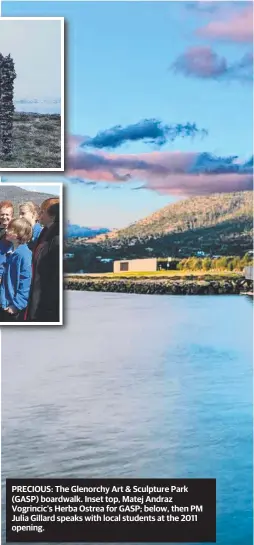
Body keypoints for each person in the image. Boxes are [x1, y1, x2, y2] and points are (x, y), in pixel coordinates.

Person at [25, 198, 60, 322]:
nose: (39, 215)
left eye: (42, 212)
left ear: (52, 214)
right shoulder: (45, 232)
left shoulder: (56, 239)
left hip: (46, 301)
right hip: (37, 294)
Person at [0, 218, 32, 322]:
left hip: (13, 307)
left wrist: (17, 305)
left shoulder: (24, 254)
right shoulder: (10, 250)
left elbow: (26, 281)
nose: (6, 231)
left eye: (11, 229)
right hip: (5, 302)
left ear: (19, 233)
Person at [0, 200, 14, 281]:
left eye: (7, 214)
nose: (4, 217)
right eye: (2, 214)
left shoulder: (15, 231)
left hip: (7, 272)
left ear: (12, 216)